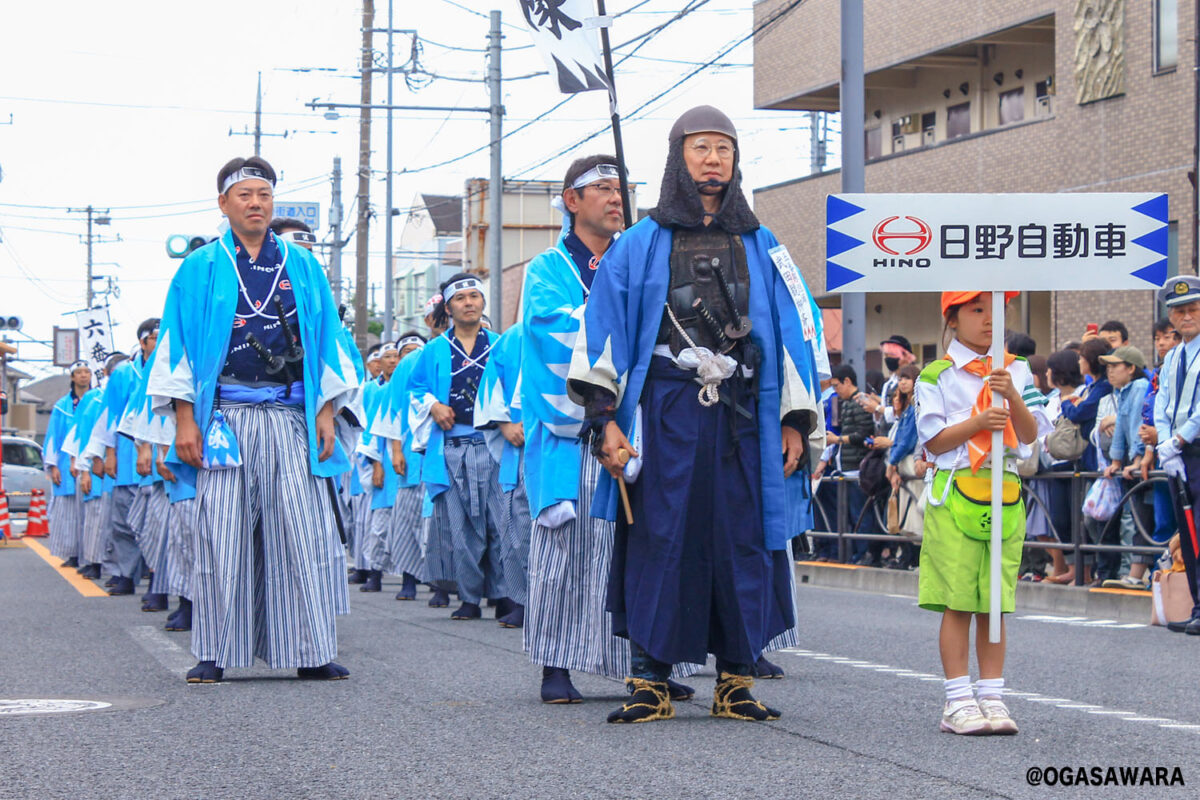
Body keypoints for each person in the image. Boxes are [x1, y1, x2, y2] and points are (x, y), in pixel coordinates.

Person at [567, 106, 826, 723]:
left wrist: (794, 420)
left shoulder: (765, 244)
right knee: (660, 533)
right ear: (677, 157)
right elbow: (602, 332)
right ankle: (650, 682)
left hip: (746, 415)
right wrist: (605, 419)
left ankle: (736, 680)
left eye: (724, 149)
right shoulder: (639, 242)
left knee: (743, 537)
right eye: (701, 147)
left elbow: (795, 333)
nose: (713, 159)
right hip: (665, 408)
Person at [146, 155, 358, 683]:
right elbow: (179, 349)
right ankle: (214, 651)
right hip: (225, 419)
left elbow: (326, 340)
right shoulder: (199, 267)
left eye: (264, 195)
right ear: (223, 204)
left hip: (290, 414)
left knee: (299, 532)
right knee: (222, 533)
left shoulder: (303, 266)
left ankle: (309, 650)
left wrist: (326, 412)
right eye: (245, 195)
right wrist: (185, 421)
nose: (256, 203)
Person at [916, 291, 1050, 735]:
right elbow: (934, 441)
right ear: (951, 320)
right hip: (955, 491)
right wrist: (978, 423)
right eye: (977, 311)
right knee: (958, 602)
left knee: (995, 604)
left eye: (997, 310)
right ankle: (957, 701)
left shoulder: (1018, 368)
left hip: (1005, 488)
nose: (990, 320)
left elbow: (1031, 437)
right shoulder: (935, 374)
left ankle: (992, 695)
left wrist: (1011, 394)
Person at [408, 273, 505, 620]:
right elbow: (415, 389)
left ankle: (504, 594)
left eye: (474, 296)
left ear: (482, 302)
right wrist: (433, 405)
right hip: (451, 447)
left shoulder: (500, 344)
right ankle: (469, 598)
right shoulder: (434, 350)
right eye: (460, 298)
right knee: (460, 527)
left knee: (501, 521)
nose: (468, 303)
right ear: (448, 307)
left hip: (494, 446)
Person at [1153, 276, 1200, 635]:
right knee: (1186, 531)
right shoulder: (1174, 356)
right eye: (1179, 311)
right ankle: (1197, 604)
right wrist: (1165, 444)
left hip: (1194, 447)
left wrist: (1180, 439)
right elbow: (1162, 403)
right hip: (1175, 454)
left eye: (1193, 309)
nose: (1186, 317)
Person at [474, 322, 527, 628]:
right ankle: (522, 599)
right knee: (517, 524)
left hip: (575, 440)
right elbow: (491, 387)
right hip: (521, 442)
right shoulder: (515, 336)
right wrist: (504, 424)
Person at [372, 332, 427, 601]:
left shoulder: (435, 366)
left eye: (415, 349)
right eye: (404, 352)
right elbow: (391, 416)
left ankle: (439, 583)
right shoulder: (398, 381)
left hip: (435, 456)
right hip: (408, 457)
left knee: (433, 524)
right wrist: (395, 451)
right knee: (405, 521)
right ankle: (408, 579)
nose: (409, 357)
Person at [1099, 346, 1154, 590]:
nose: (1109, 371)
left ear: (1131, 368)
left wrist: (1135, 458)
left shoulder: (1140, 388)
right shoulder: (1124, 391)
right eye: (1108, 366)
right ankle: (1137, 573)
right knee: (1139, 517)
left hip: (1143, 463)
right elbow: (1121, 428)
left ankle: (1139, 574)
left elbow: (1138, 426)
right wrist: (1116, 462)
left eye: (1115, 366)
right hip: (1134, 464)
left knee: (1144, 517)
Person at [43, 362, 94, 568]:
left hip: (90, 462)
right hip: (65, 464)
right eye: (79, 373)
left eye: (87, 372)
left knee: (91, 512)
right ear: (72, 377)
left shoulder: (96, 400)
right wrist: (53, 465)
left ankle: (90, 555)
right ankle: (72, 553)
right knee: (68, 513)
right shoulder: (61, 406)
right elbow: (53, 437)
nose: (84, 376)